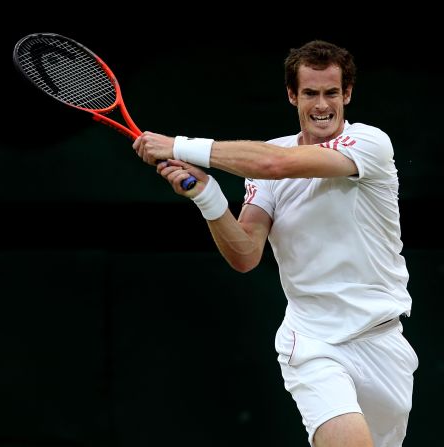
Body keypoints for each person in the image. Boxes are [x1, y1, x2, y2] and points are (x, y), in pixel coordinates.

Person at [132, 40, 418, 447]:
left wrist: (177, 145)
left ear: (347, 94)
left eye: (331, 93)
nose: (322, 105)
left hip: (383, 341)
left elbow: (275, 165)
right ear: (292, 95)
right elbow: (246, 254)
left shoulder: (371, 144)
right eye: (310, 93)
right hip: (314, 344)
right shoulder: (268, 163)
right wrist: (206, 196)